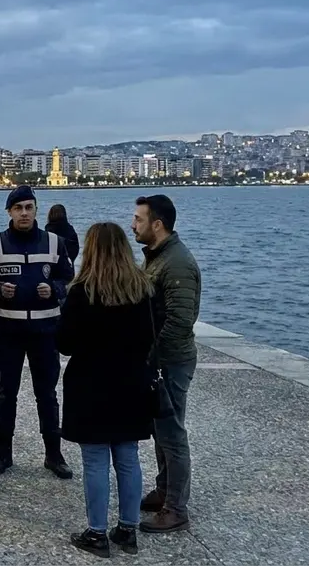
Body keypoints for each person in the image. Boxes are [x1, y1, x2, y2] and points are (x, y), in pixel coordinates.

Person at [59, 222, 158, 557]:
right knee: (128, 457)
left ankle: (97, 532)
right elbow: (149, 337)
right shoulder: (141, 288)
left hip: (91, 385)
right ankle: (128, 529)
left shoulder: (82, 291)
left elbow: (65, 343)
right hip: (131, 383)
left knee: (96, 460)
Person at [0, 185, 75, 480]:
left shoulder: (55, 243)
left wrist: (54, 289)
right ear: (9, 212)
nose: (24, 213)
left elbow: (68, 277)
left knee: (47, 394)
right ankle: (2, 452)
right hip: (7, 331)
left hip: (45, 331)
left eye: (29, 207)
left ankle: (54, 454)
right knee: (5, 394)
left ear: (36, 210)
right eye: (18, 208)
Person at [132, 194, 201, 533]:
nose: (133, 225)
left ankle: (176, 507)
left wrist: (153, 357)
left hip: (171, 361)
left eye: (139, 219)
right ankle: (164, 489)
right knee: (161, 430)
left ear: (157, 224)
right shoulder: (158, 257)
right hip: (161, 360)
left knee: (172, 433)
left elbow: (179, 321)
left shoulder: (176, 264)